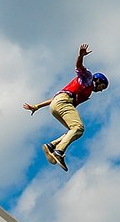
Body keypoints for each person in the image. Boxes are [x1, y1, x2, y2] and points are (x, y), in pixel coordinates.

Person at [24, 43, 108, 172]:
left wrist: (37, 106)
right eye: (102, 87)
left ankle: (51, 146)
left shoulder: (87, 91)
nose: (101, 90)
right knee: (78, 128)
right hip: (63, 102)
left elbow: (55, 100)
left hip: (56, 105)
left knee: (73, 130)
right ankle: (59, 151)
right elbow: (79, 67)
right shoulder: (88, 78)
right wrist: (81, 55)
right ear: (98, 81)